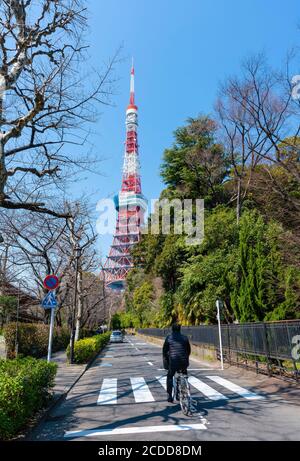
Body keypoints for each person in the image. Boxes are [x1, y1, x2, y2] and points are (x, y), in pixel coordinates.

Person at [162, 323, 191, 403]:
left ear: (172, 329)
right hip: (184, 362)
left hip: (174, 361)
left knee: (170, 376)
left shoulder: (169, 338)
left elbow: (164, 350)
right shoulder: (185, 338)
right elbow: (188, 350)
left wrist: (166, 360)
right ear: (180, 329)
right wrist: (186, 357)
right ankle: (182, 390)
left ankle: (169, 396)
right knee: (184, 374)